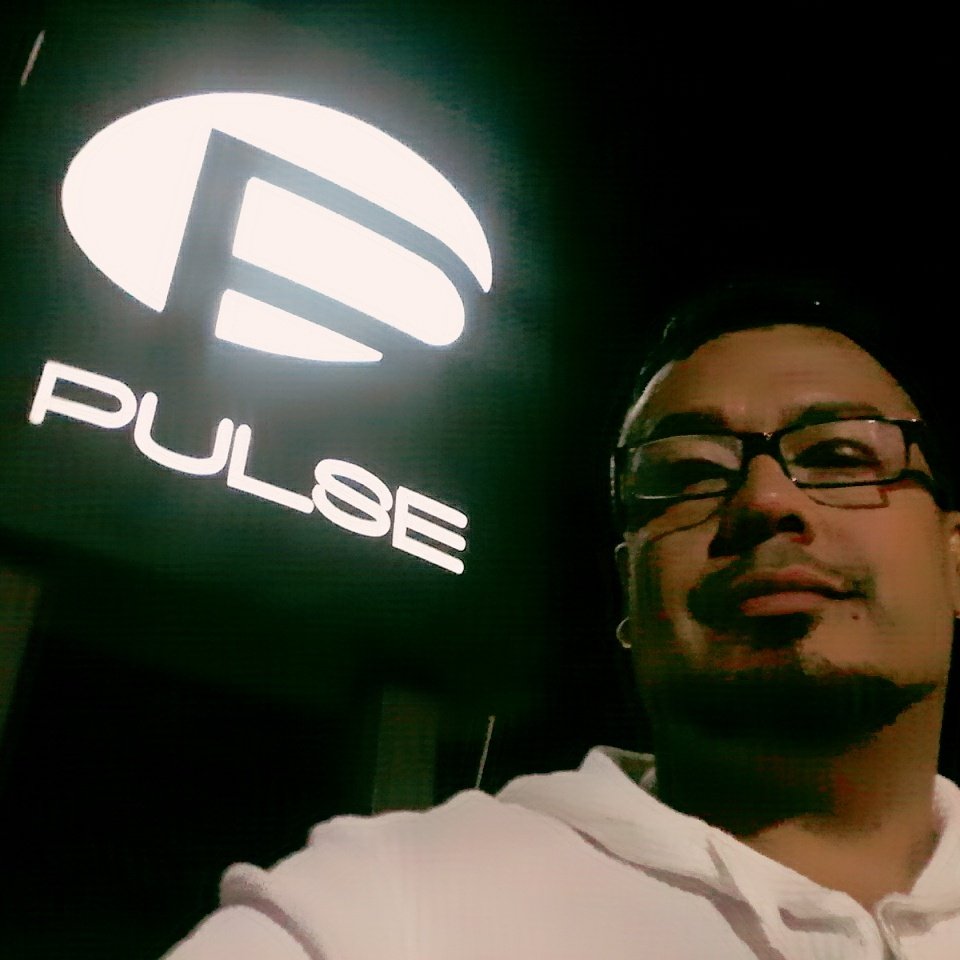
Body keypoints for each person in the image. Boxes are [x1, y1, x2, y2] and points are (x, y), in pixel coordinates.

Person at [162, 280, 960, 959]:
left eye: (839, 456)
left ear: (954, 560)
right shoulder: (389, 904)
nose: (765, 498)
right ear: (628, 595)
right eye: (687, 473)